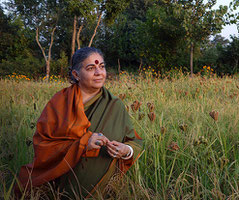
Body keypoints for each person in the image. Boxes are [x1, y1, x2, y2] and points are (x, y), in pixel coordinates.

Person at [15, 47, 143, 199]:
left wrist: (126, 150)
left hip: (102, 191)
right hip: (59, 186)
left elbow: (134, 141)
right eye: (91, 68)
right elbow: (42, 145)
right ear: (76, 74)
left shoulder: (115, 105)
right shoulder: (59, 103)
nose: (99, 72)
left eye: (102, 66)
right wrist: (83, 145)